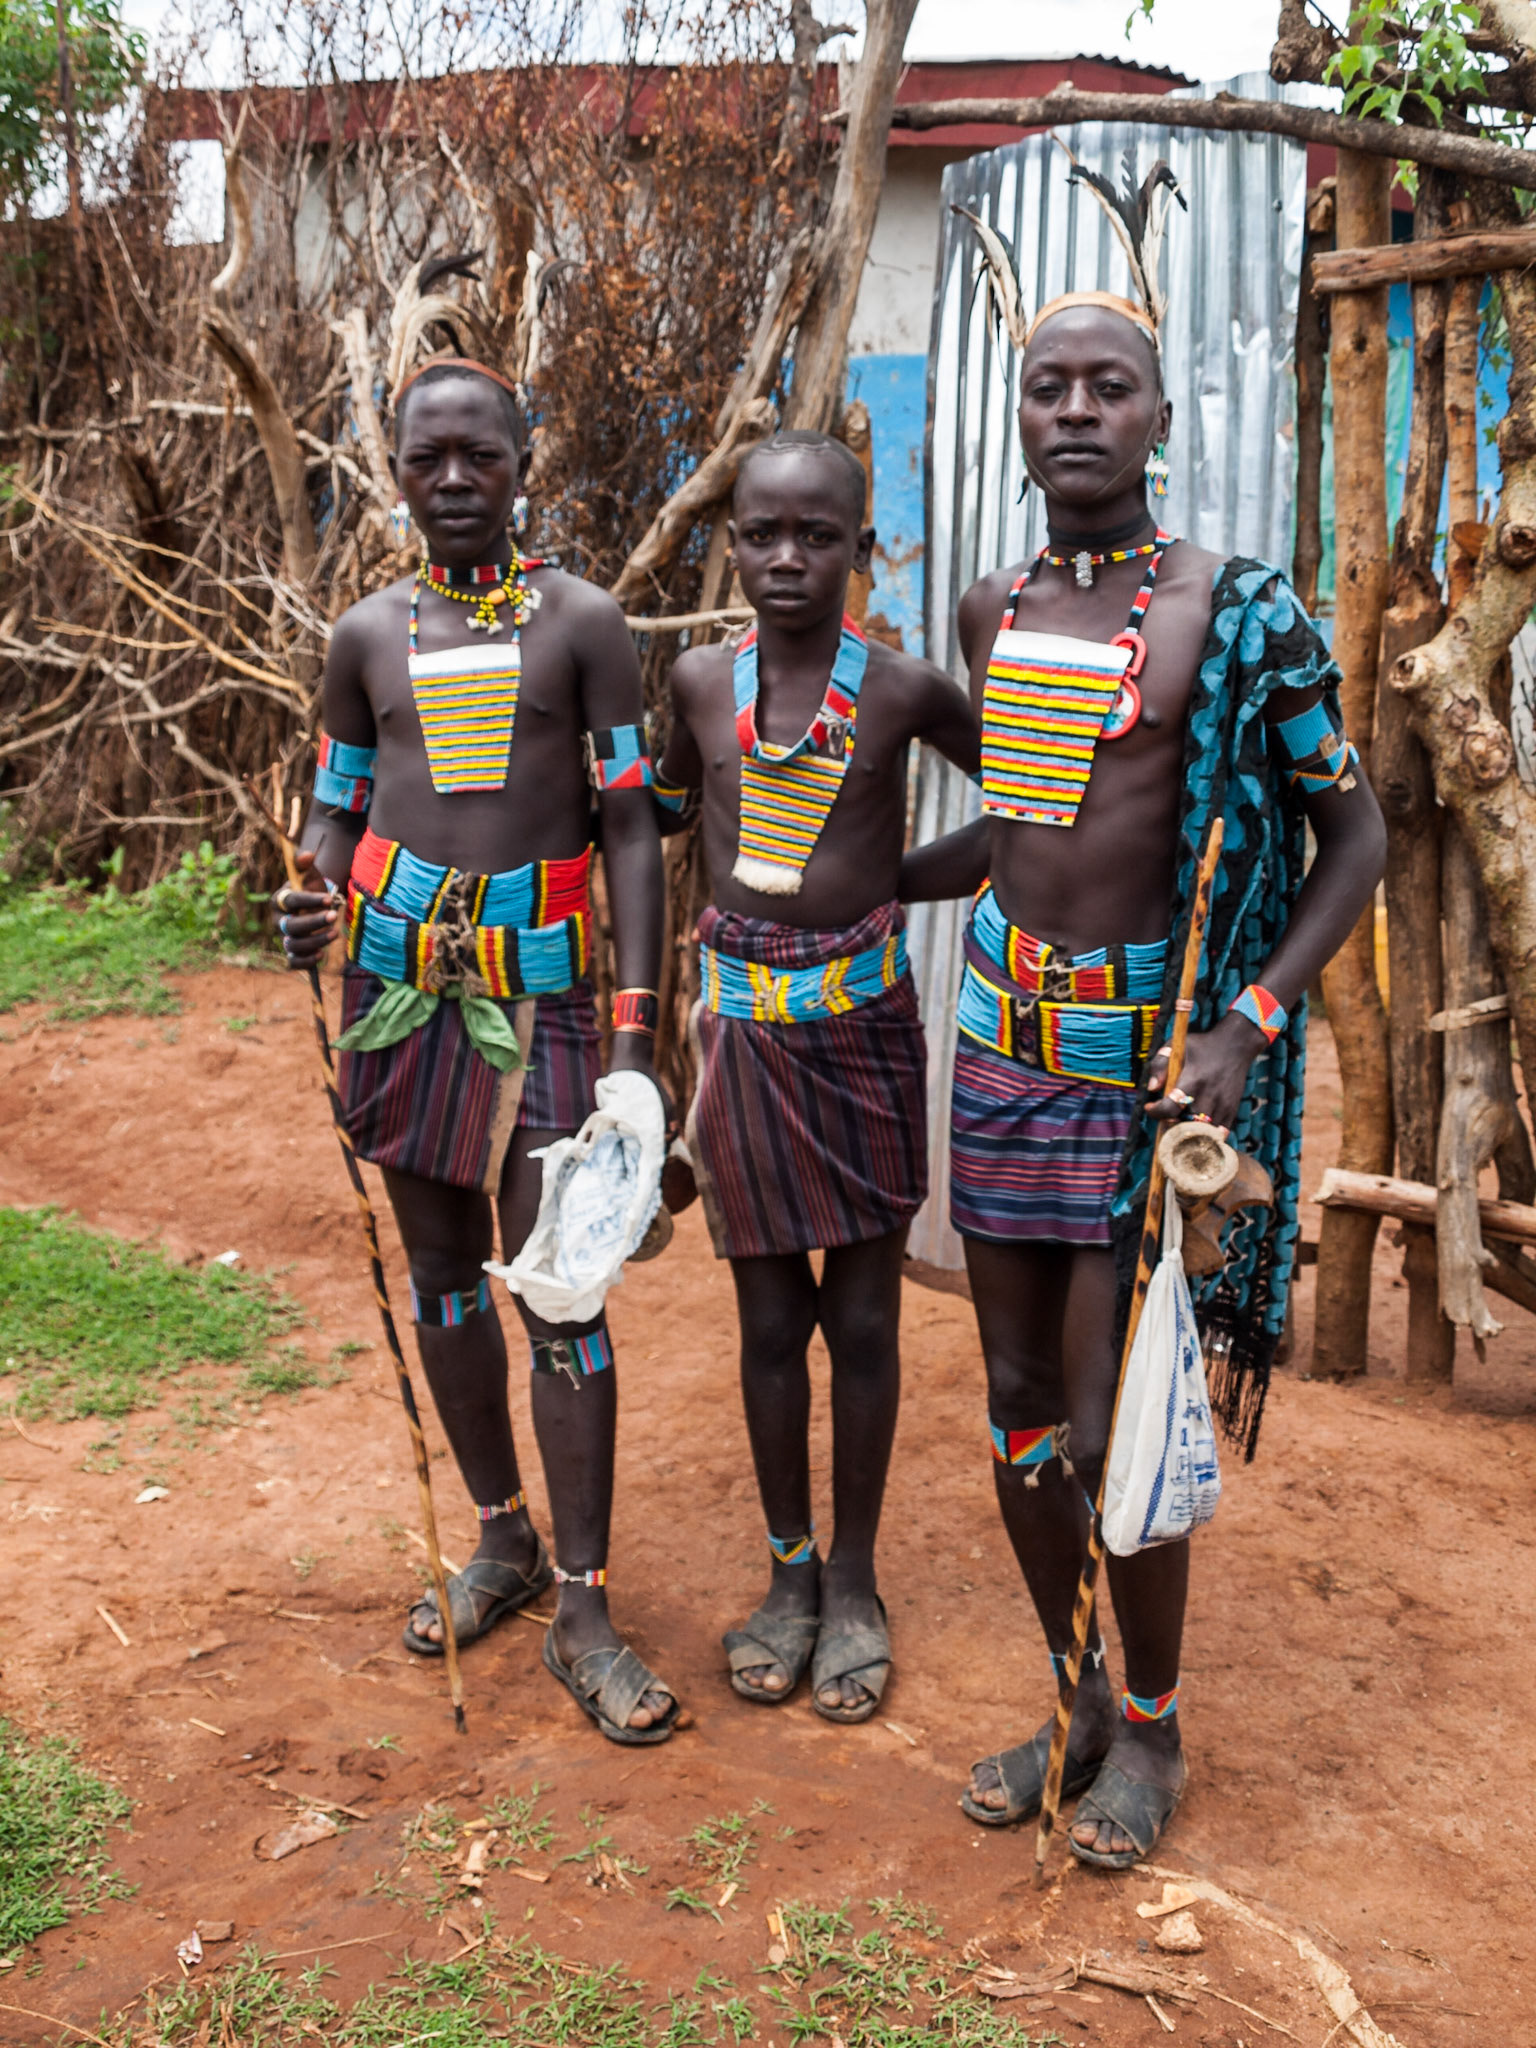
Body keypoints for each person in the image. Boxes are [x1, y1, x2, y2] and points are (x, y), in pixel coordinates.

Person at [901, 165, 1387, 1864]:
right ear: (1023, 418)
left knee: (1121, 1424)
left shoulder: (1231, 615)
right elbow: (1024, 824)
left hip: (1145, 1069)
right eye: (1052, 385)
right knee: (1020, 1408)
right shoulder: (998, 610)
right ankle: (1074, 1691)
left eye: (1111, 384)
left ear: (1163, 412)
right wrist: (848, 879)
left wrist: (1248, 1019)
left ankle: (1158, 1733)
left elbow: (1360, 834)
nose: (1079, 407)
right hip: (998, 1052)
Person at [275, 352, 680, 1745]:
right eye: (427, 459)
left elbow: (631, 828)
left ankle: (583, 1601)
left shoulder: (584, 626)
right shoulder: (365, 637)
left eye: (480, 457)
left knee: (560, 1292)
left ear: (523, 464)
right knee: (444, 1275)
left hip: (550, 1003)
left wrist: (638, 1028)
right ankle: (501, 1538)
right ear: (395, 473)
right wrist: (318, 886)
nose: (454, 481)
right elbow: (335, 804)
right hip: (397, 1000)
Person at [654, 430, 980, 1722]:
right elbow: (667, 814)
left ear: (863, 545)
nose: (788, 559)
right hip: (739, 1040)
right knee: (768, 1324)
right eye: (763, 534)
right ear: (731, 542)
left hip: (864, 1037)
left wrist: (896, 880)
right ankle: (788, 1573)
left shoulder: (899, 691)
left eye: (818, 536)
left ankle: (855, 1579)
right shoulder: (694, 680)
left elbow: (1025, 799)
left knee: (863, 1320)